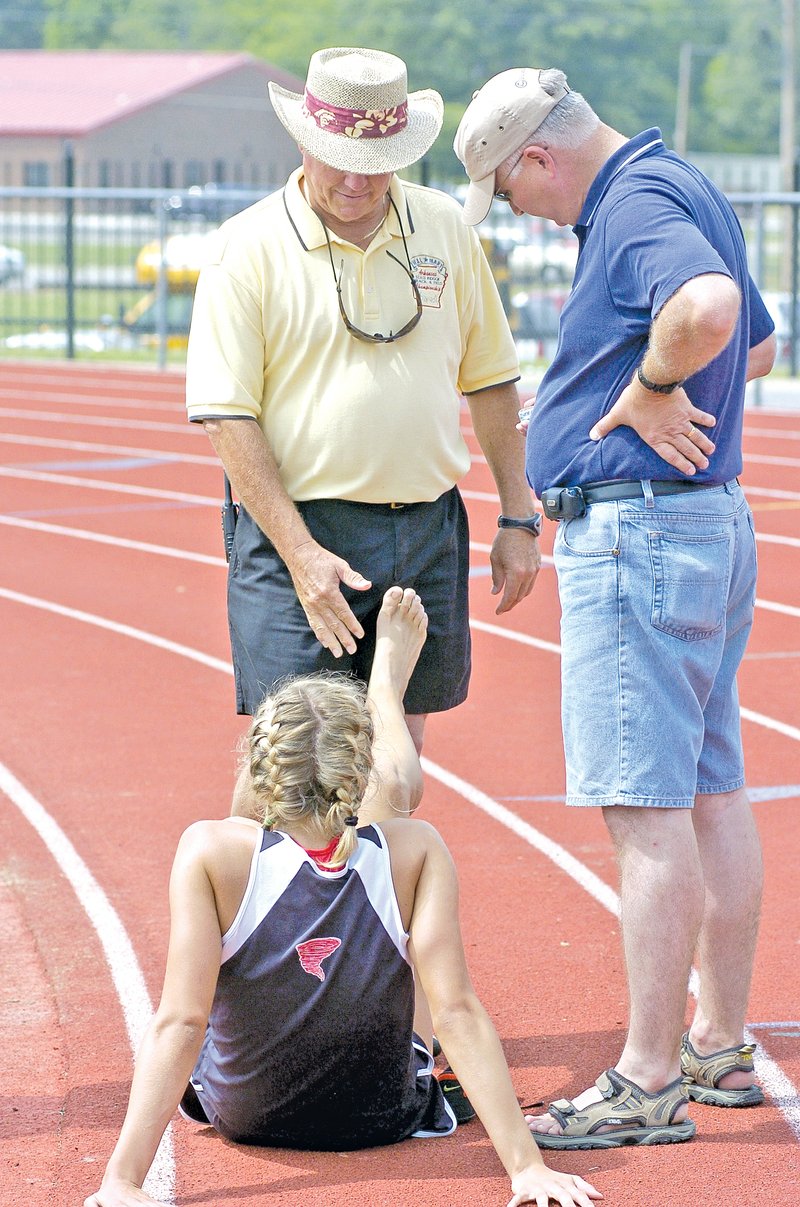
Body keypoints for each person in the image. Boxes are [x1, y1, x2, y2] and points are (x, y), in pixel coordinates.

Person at [453, 68, 776, 1149]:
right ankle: (717, 1043)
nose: (520, 213)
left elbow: (713, 313)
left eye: (510, 192)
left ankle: (645, 1076)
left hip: (640, 529)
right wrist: (674, 388)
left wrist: (641, 391)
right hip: (704, 520)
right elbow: (759, 341)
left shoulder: (629, 208)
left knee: (643, 809)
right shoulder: (680, 181)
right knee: (709, 791)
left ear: (536, 159)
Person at [84, 587, 601, 1207]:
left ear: (258, 767)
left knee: (241, 930)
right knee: (394, 837)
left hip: (247, 1114)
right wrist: (526, 1169)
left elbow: (182, 1019)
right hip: (382, 1116)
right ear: (360, 770)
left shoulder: (206, 851)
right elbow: (457, 1012)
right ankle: (385, 694)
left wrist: (121, 1181)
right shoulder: (417, 850)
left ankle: (331, 747)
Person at [185, 47, 541, 815]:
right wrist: (302, 554)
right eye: (340, 160)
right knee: (284, 774)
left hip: (424, 526)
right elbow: (226, 415)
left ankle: (370, 931)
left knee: (394, 768)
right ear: (303, 141)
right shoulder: (245, 249)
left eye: (376, 163)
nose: (357, 180)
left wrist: (518, 513)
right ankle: (262, 929)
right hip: (300, 536)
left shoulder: (444, 227)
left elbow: (490, 377)